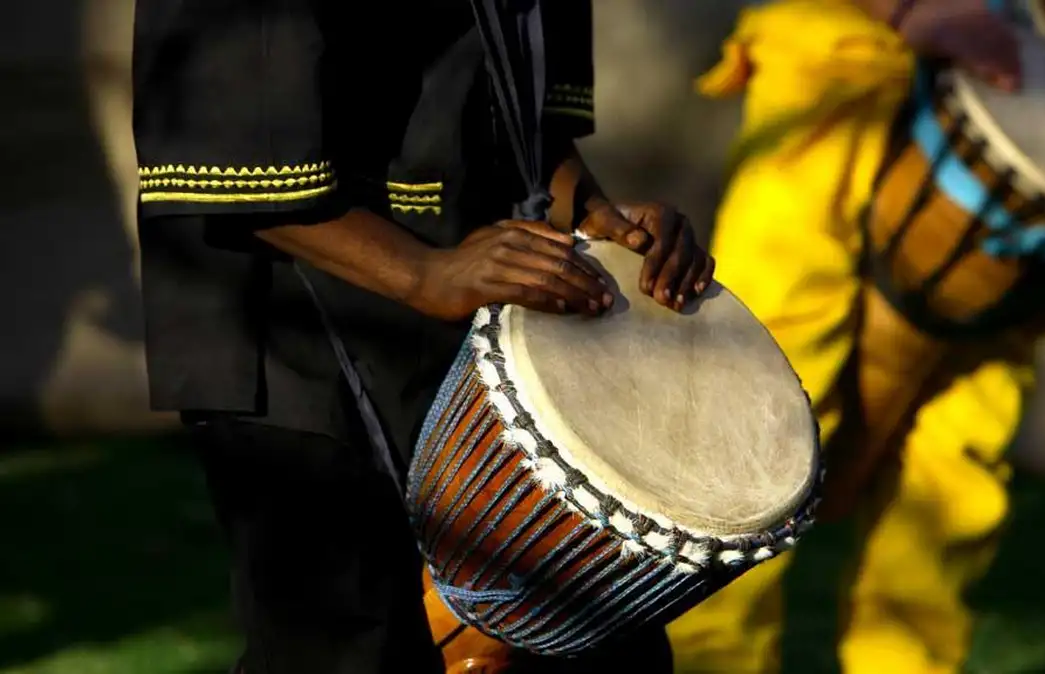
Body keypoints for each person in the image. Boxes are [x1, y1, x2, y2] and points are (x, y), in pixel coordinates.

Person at [132, 1, 713, 672]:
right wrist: (425, 272)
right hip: (294, 341)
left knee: (604, 647)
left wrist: (600, 222)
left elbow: (524, 122)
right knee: (352, 646)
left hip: (473, 323)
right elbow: (224, 150)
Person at [664, 0, 1045, 673]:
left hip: (1006, 73)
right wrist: (908, 9)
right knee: (754, 402)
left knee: (961, 439)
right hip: (838, 51)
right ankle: (712, 662)